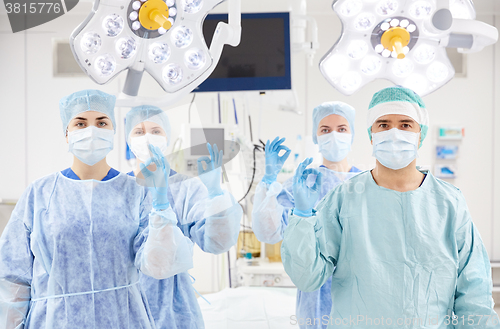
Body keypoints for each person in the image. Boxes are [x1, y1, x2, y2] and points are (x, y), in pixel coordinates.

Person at [281, 86, 500, 328]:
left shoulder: (449, 203)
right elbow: (307, 277)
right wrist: (302, 216)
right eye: (383, 124)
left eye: (405, 124)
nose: (394, 133)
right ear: (371, 134)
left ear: (420, 134)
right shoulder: (344, 198)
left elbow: (475, 295)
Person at [0, 90, 195, 328]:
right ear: (67, 134)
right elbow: (12, 277)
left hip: (123, 320)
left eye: (101, 123)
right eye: (80, 123)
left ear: (112, 133)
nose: (91, 130)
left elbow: (159, 265)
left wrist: (162, 202)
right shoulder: (40, 194)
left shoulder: (136, 192)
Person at [125, 105, 242, 329]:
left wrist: (215, 192)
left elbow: (217, 243)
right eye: (139, 132)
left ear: (167, 138)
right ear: (128, 140)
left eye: (156, 131)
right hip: (125, 305)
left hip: (175, 310)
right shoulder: (118, 188)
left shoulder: (185, 188)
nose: (147, 137)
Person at [251, 102, 361, 329]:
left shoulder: (368, 183)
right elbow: (268, 232)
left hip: (363, 295)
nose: (333, 135)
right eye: (325, 130)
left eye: (341, 129)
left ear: (352, 135)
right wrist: (270, 180)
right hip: (316, 299)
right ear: (315, 137)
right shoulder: (302, 183)